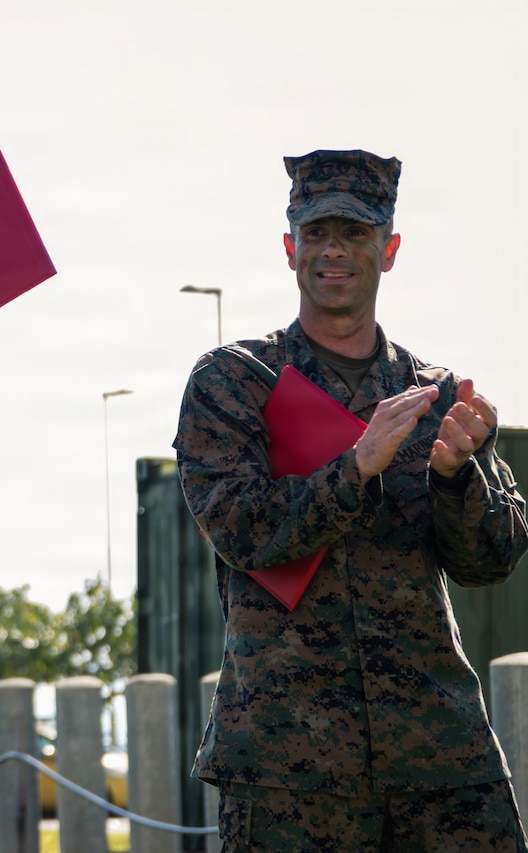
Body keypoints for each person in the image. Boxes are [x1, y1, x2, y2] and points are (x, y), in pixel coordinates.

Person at [174, 150, 528, 851]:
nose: (334, 249)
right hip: (290, 772)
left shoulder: (434, 395)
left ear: (389, 249)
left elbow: (492, 557)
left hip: (440, 761)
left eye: (357, 233)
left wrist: (459, 476)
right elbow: (244, 531)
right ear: (289, 248)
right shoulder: (236, 383)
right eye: (316, 232)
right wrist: (357, 465)